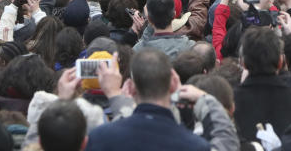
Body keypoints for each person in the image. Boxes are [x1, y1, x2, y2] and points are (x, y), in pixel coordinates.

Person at [84, 48, 212, 151]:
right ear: (173, 85)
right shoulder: (196, 146)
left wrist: (114, 94)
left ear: (131, 88)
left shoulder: (100, 138)